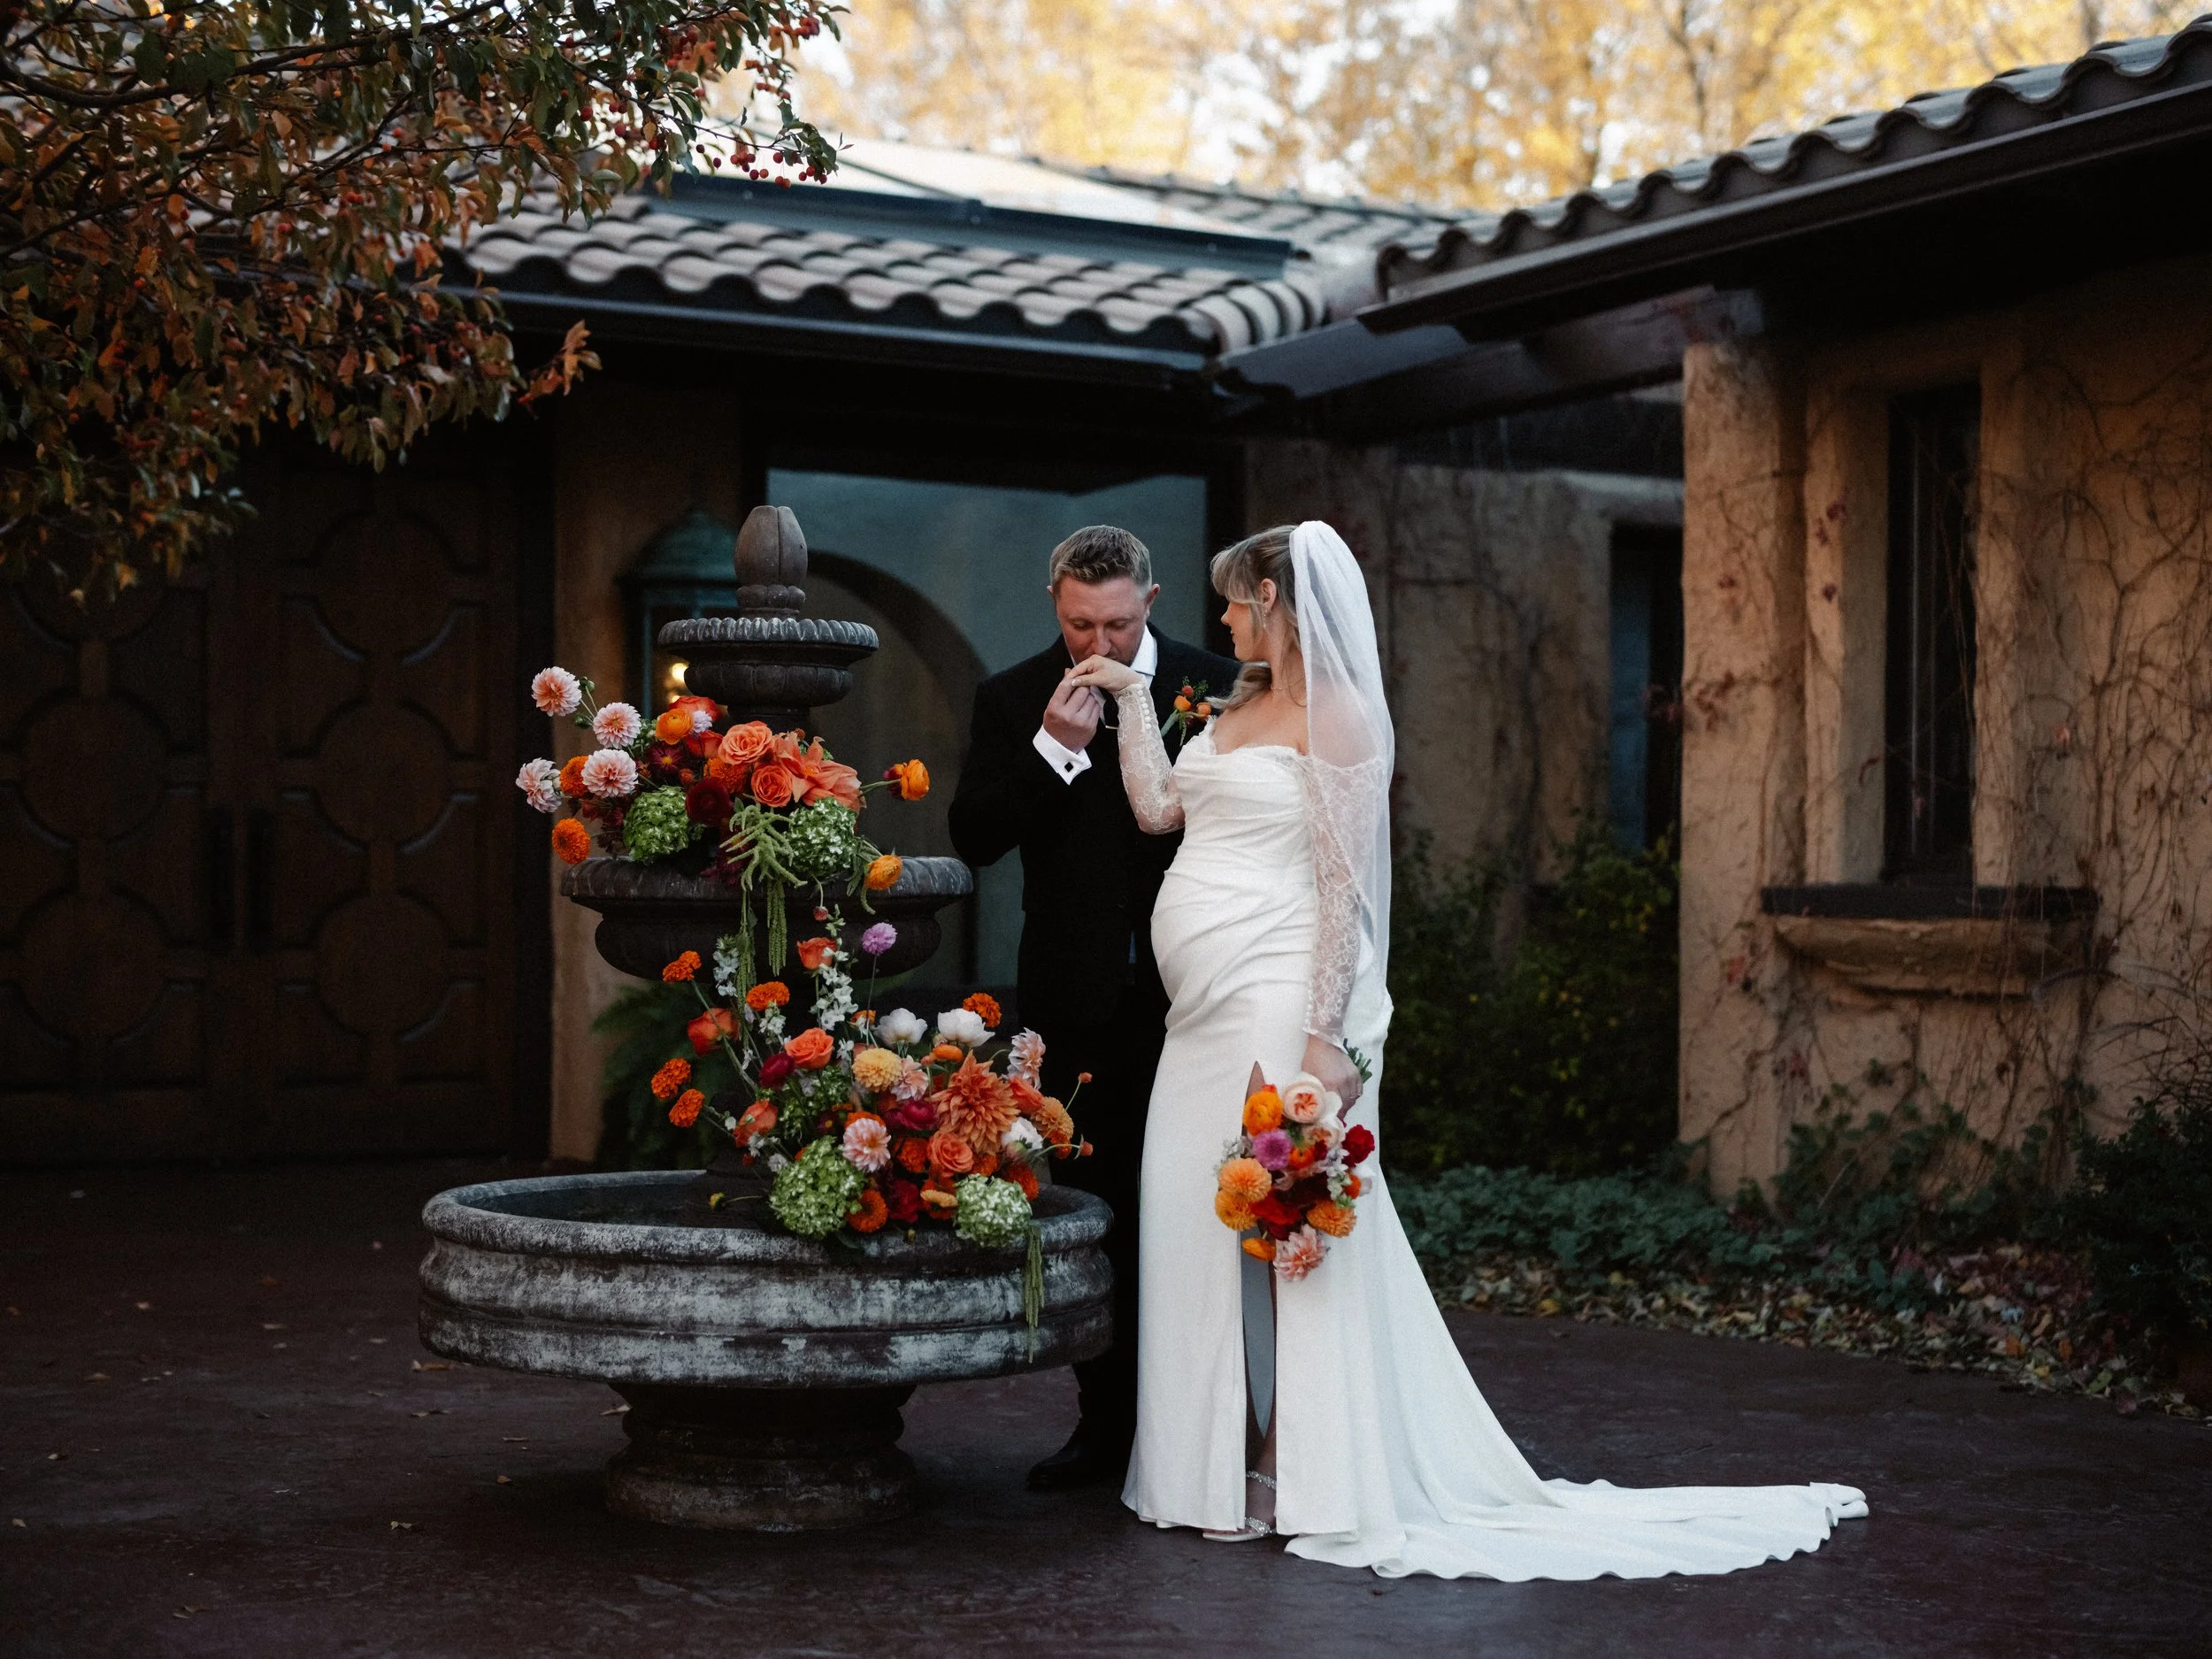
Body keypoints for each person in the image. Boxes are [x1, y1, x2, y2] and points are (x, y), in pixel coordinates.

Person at [1063, 521, 1868, 1578]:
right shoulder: (1233, 706)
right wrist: (1126, 700)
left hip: (1273, 990)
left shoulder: (1338, 717)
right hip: (1198, 1009)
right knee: (1185, 1217)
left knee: (1271, 1231)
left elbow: (1346, 888)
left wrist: (1323, 1039)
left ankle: (1276, 1469)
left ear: (1278, 603)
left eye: (1234, 600)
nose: (1219, 619)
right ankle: (1195, 1467)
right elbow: (1157, 807)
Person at [949, 524, 1239, 1491]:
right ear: (1055, 606)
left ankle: (1205, 1424)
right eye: (1080, 625)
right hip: (1074, 1001)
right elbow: (974, 836)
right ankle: (1106, 1430)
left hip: (1194, 993)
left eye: (1117, 625)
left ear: (1148, 605)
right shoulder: (1013, 695)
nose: (1099, 647)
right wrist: (1051, 750)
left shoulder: (1218, 681)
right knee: (1094, 1212)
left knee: (1196, 1207)